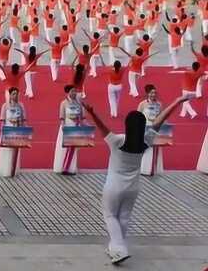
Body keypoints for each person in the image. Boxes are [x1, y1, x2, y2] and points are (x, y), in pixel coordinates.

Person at [81, 96, 187, 264]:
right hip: (133, 187)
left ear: (127, 125)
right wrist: (177, 101)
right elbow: (160, 120)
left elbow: (102, 128)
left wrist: (92, 113)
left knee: (110, 216)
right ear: (143, 127)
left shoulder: (117, 141)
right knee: (123, 217)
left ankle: (119, 248)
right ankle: (116, 249)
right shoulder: (145, 141)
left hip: (114, 186)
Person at [53, 85, 85, 175]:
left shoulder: (79, 103)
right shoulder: (64, 103)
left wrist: (83, 124)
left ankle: (71, 168)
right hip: (67, 127)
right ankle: (62, 167)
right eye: (72, 91)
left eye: (75, 91)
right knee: (64, 148)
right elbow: (62, 116)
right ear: (68, 92)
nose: (74, 93)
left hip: (76, 127)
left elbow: (82, 116)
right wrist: (63, 126)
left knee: (73, 149)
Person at [0, 87, 26, 177]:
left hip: (17, 130)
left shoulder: (20, 105)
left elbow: (23, 119)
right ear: (10, 95)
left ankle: (13, 170)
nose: (15, 95)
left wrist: (22, 129)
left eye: (16, 94)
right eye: (13, 94)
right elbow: (2, 120)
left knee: (15, 151)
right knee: (7, 150)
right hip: (8, 130)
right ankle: (5, 169)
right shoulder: (5, 106)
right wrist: (3, 131)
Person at [137, 85, 163, 176]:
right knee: (145, 149)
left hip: (155, 129)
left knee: (154, 149)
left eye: (155, 93)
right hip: (145, 129)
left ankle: (152, 170)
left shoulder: (159, 104)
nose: (153, 94)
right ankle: (143, 169)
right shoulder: (143, 104)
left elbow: (161, 117)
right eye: (151, 92)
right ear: (147, 93)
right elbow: (137, 117)